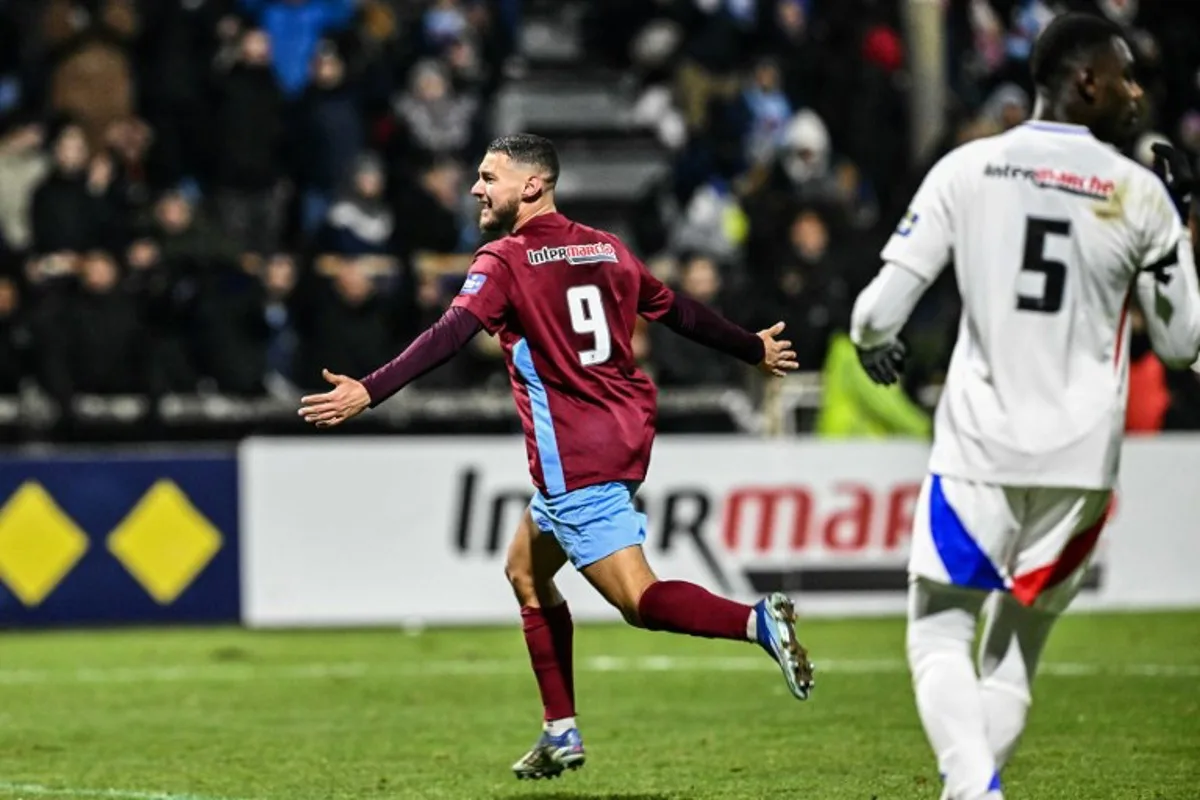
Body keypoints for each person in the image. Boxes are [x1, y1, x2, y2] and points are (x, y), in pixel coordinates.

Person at [297, 133, 816, 780]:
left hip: (575, 455)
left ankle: (754, 621)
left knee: (638, 600)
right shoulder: (606, 247)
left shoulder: (504, 259)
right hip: (618, 436)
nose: (476, 188)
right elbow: (674, 308)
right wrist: (749, 348)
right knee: (525, 570)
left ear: (533, 186)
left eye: (490, 177)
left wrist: (369, 390)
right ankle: (560, 729)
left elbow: (450, 332)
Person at [848, 13, 1200, 800]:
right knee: (1013, 656)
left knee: (939, 632)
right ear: (1085, 82)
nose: (1138, 91)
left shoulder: (969, 170)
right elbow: (1182, 345)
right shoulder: (1141, 195)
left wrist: (876, 345)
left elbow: (875, 313)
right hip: (1083, 469)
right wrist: (1178, 234)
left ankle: (975, 792)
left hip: (981, 448)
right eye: (1125, 75)